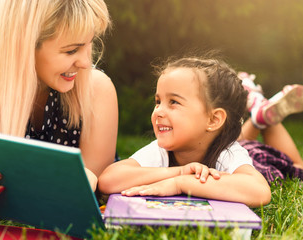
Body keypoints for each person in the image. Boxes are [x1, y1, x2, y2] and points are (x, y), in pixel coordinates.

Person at [0, 0, 118, 228]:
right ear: (22, 46)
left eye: (89, 43)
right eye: (71, 50)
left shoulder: (96, 90)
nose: (86, 62)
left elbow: (87, 204)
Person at [98, 57, 271, 208]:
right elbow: (108, 180)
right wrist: (180, 172)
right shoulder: (160, 151)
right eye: (158, 101)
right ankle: (256, 115)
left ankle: (259, 112)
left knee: (294, 165)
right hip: (228, 137)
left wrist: (180, 183)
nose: (158, 111)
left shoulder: (228, 153)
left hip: (253, 155)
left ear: (213, 119)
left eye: (173, 102)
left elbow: (259, 190)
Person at [237, 72, 303, 183]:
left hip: (237, 154)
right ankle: (258, 103)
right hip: (241, 156)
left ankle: (258, 105)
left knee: (233, 147)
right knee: (298, 167)